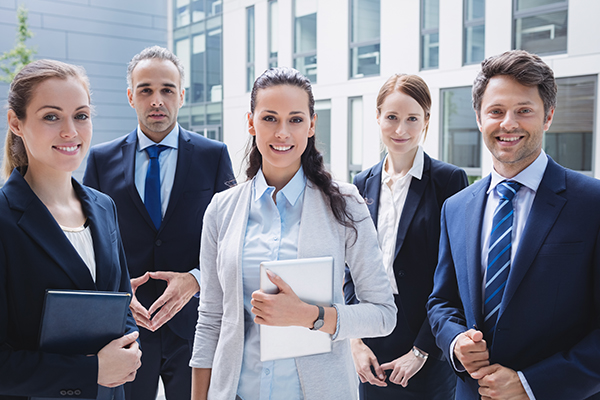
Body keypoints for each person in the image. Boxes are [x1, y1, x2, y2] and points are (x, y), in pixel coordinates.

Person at [189, 67, 396, 400]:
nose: (282, 132)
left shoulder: (345, 205)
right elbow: (211, 319)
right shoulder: (221, 209)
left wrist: (310, 316)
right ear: (251, 122)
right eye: (269, 118)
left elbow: (383, 315)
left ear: (312, 124)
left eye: (295, 120)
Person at [427, 49, 600, 400]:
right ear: (479, 118)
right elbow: (442, 302)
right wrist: (457, 341)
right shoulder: (455, 207)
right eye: (496, 111)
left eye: (524, 111)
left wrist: (531, 385)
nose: (508, 123)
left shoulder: (592, 202)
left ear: (548, 117)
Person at [83, 46, 234, 400]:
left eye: (167, 89)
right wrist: (117, 293)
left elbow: (233, 239)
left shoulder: (213, 156)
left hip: (196, 325)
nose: (157, 100)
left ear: (181, 96)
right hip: (125, 329)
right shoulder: (101, 160)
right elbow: (88, 243)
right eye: (146, 90)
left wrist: (195, 280)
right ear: (130, 96)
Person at [0, 59, 141, 400]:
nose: (70, 132)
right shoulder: (4, 219)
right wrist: (91, 371)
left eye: (81, 115)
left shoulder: (104, 207)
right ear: (16, 123)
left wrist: (130, 349)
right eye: (51, 116)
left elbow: (120, 305)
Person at [344, 74, 466, 399]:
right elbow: (349, 267)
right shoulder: (361, 182)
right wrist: (354, 341)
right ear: (378, 117)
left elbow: (454, 272)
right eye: (392, 117)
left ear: (427, 119)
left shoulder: (448, 180)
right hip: (371, 336)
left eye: (412, 118)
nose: (401, 130)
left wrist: (422, 351)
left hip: (425, 338)